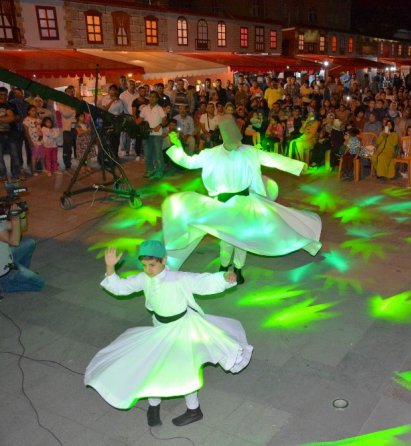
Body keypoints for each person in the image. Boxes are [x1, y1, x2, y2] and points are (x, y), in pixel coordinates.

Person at [84, 240, 252, 427]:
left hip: (182, 327)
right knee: (154, 364)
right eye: (145, 265)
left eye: (152, 265)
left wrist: (224, 277)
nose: (148, 269)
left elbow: (203, 282)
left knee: (184, 368)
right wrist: (109, 267)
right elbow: (121, 287)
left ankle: (194, 409)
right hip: (159, 328)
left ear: (163, 260)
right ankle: (154, 404)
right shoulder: (144, 278)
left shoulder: (179, 278)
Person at [161, 116, 322, 283]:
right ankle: (224, 267)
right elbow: (189, 162)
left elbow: (271, 158)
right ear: (224, 138)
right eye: (234, 142)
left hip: (245, 202)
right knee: (226, 237)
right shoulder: (211, 154)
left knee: (243, 238)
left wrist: (297, 165)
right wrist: (177, 146)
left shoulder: (249, 151)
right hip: (223, 204)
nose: (238, 145)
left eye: (239, 140)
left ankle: (237, 269)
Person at [0, 202, 44, 295]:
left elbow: (22, 228)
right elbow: (14, 241)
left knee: (31, 243)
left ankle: (21, 273)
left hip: (8, 257)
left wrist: (22, 215)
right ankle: (4, 286)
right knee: (40, 284)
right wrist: (15, 218)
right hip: (3, 273)